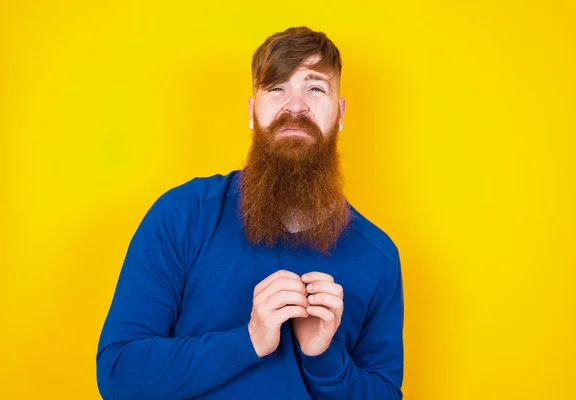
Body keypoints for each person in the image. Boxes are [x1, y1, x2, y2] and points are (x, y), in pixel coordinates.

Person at [96, 26, 404, 399]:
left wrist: (323, 357)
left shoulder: (379, 257)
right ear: (251, 111)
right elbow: (117, 375)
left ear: (339, 114)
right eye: (276, 88)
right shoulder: (182, 215)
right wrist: (249, 340)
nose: (295, 106)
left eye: (315, 88)